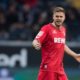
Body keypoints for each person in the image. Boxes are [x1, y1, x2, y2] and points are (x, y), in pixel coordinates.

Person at [32, 7, 80, 80]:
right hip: (48, 68)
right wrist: (35, 44)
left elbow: (62, 44)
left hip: (59, 68)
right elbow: (36, 40)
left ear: (64, 18)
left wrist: (75, 55)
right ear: (53, 17)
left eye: (61, 16)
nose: (59, 18)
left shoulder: (63, 29)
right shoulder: (46, 28)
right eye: (57, 16)